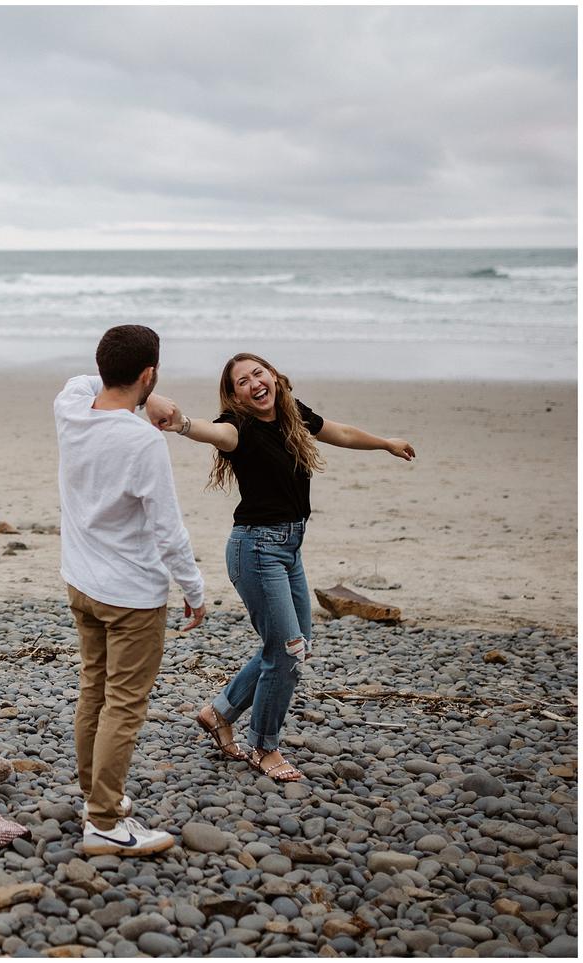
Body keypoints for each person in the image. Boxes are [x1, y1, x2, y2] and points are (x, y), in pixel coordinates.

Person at [151, 352, 415, 782]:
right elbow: (211, 432)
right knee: (288, 652)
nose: (254, 383)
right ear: (235, 395)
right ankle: (263, 748)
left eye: (259, 373)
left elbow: (341, 432)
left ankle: (219, 713)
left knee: (295, 645)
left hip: (289, 549)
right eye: (242, 381)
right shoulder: (241, 428)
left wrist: (385, 442)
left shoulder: (293, 414)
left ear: (273, 377)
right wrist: (181, 424)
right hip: (256, 551)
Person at [54, 324, 207, 856]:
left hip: (81, 582)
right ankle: (103, 822)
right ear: (149, 374)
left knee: (94, 690)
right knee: (123, 703)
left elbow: (79, 381)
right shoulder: (142, 441)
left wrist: (142, 394)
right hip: (130, 596)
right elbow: (168, 530)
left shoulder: (70, 409)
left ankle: (95, 796)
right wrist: (194, 588)